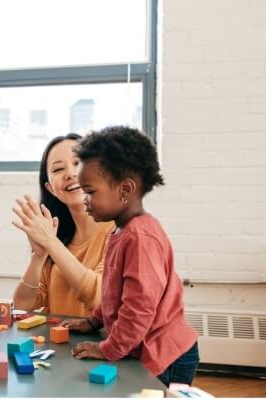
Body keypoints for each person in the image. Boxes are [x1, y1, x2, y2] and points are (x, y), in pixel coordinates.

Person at [63, 126, 199, 386]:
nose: (84, 200)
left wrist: (108, 349)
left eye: (90, 192)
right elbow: (115, 290)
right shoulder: (120, 229)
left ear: (125, 189)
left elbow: (139, 308)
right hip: (142, 347)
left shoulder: (140, 237)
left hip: (165, 354)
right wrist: (96, 319)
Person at [12, 134, 114, 316]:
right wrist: (38, 257)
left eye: (78, 163)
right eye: (58, 169)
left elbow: (99, 297)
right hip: (59, 344)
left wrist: (51, 242)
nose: (70, 174)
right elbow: (22, 305)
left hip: (98, 344)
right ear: (50, 188)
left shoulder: (117, 232)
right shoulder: (58, 236)